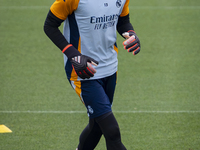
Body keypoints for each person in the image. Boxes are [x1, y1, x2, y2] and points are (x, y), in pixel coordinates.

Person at [43, 0, 140, 149]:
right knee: (112, 131)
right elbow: (50, 25)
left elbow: (123, 21)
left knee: (97, 126)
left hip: (111, 67)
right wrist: (74, 55)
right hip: (83, 72)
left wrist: (131, 34)